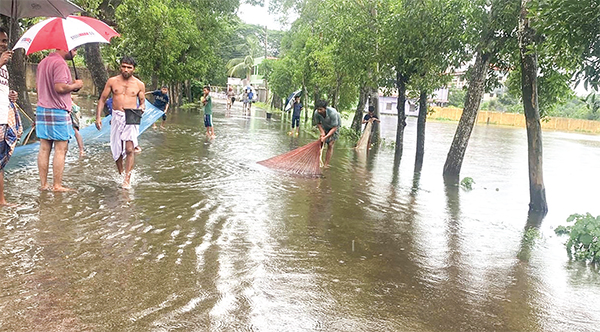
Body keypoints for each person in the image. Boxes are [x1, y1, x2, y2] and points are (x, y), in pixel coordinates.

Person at [36, 47, 83, 191]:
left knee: (44, 148)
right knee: (61, 149)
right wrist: (76, 85)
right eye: (74, 50)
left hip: (42, 109)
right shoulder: (60, 63)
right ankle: (57, 185)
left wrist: (71, 87)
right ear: (65, 48)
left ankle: (44, 185)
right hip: (58, 110)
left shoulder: (42, 62)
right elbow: (60, 87)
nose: (75, 53)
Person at [95, 56, 145, 189]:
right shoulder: (112, 81)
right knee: (116, 148)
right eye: (124, 66)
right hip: (116, 116)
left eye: (129, 67)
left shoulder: (139, 85)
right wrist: (98, 117)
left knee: (129, 149)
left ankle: (127, 179)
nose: (126, 70)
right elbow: (102, 99)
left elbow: (142, 102)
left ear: (134, 69)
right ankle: (121, 173)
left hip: (132, 116)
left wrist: (141, 108)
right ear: (120, 67)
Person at [0, 27, 21, 206]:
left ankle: (2, 200)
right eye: (0, 41)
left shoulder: (5, 68)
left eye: (5, 41)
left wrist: (10, 95)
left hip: (2, 119)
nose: (3, 44)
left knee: (0, 162)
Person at [313, 100, 341, 167]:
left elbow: (334, 127)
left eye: (321, 109)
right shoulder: (316, 113)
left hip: (334, 127)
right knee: (321, 143)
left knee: (330, 144)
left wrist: (326, 137)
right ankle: (318, 162)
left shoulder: (332, 113)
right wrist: (322, 133)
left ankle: (326, 164)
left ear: (325, 108)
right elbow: (318, 124)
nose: (319, 111)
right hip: (325, 126)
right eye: (318, 109)